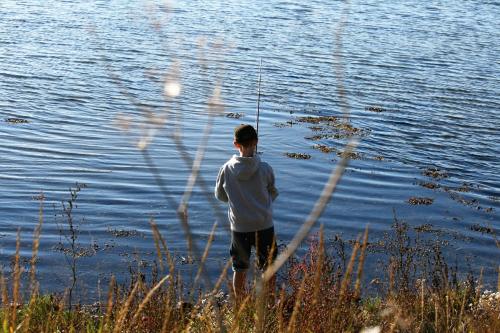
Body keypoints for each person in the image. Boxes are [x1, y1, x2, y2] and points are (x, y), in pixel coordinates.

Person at [214, 124, 278, 302]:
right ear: (256, 142)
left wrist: (236, 201)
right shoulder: (265, 168)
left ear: (236, 144)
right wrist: (262, 204)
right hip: (264, 225)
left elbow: (220, 195)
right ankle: (270, 301)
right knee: (269, 266)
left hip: (239, 227)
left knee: (239, 268)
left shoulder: (226, 169)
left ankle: (239, 303)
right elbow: (272, 191)